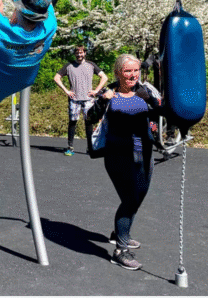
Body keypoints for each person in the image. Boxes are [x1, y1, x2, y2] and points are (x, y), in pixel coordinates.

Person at [92, 53, 162, 270]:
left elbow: (163, 112)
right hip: (118, 153)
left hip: (144, 152)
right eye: (127, 71)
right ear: (118, 73)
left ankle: (120, 232)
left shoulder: (145, 90)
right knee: (130, 198)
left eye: (135, 70)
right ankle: (120, 251)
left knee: (140, 195)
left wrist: (148, 98)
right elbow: (89, 117)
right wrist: (102, 101)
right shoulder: (108, 92)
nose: (132, 75)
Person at [53, 45, 108, 156]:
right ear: (75, 54)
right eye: (77, 53)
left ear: (85, 53)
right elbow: (56, 78)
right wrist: (66, 91)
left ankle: (90, 148)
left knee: (89, 123)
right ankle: (70, 147)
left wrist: (96, 91)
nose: (79, 55)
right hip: (74, 99)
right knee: (73, 122)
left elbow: (104, 77)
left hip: (88, 99)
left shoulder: (91, 65)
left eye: (81, 52)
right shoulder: (69, 66)